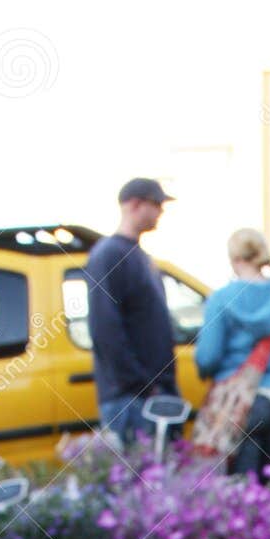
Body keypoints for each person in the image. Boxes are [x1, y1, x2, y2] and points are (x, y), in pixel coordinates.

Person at [194, 228, 270, 479]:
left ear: (234, 259)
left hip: (241, 403)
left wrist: (207, 373)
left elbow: (208, 357)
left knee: (242, 487)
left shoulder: (221, 300)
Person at [85, 178, 177, 444]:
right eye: (156, 204)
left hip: (150, 395)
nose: (161, 211)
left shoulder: (140, 256)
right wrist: (142, 386)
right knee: (141, 478)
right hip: (131, 400)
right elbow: (105, 329)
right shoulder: (109, 255)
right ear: (135, 204)